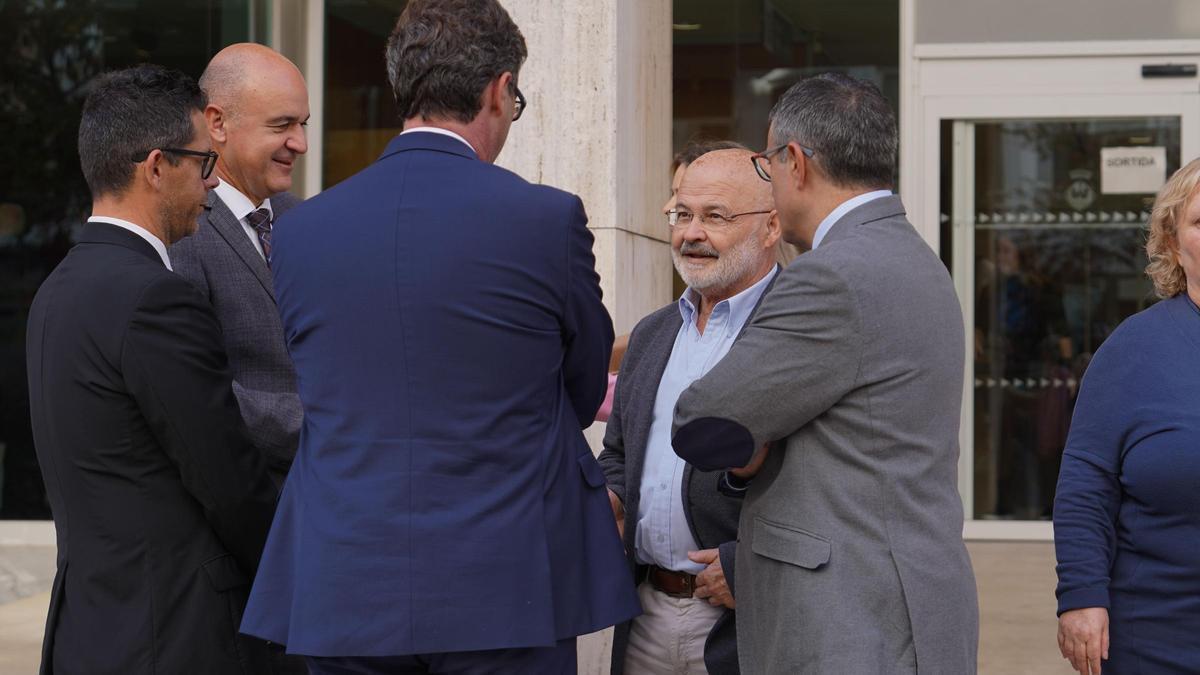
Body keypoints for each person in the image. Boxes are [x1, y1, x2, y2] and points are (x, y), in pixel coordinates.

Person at [239, 1, 641, 672]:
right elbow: (580, 382)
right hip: (506, 578)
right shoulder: (545, 219)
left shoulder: (301, 231)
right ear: (499, 90)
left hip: (344, 579)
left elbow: (323, 380)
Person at [670, 73, 979, 673]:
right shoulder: (917, 259)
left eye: (765, 165)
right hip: (905, 599)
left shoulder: (830, 275)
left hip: (850, 618)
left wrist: (754, 440)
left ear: (794, 162)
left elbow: (702, 419)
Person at [24, 65, 277, 674]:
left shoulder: (56, 291)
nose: (213, 187)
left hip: (89, 631)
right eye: (204, 164)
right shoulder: (155, 299)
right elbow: (230, 485)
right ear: (157, 166)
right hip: (174, 635)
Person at [599, 148, 782, 674]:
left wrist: (749, 565)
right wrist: (608, 497)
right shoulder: (654, 334)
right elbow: (619, 452)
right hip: (645, 613)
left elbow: (827, 480)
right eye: (682, 214)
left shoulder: (797, 329)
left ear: (771, 227)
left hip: (745, 621)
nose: (690, 233)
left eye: (715, 216)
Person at [1053, 158, 1200, 675]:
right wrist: (1081, 595)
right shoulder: (1133, 349)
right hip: (1156, 637)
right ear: (1172, 242)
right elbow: (1085, 482)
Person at [169, 43, 310, 489]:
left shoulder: (302, 220)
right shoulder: (181, 228)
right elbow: (198, 392)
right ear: (217, 123)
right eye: (282, 125)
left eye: (303, 124)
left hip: (322, 499)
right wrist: (335, 428)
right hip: (243, 508)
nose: (301, 143)